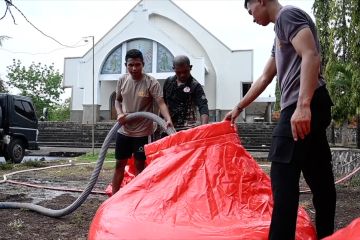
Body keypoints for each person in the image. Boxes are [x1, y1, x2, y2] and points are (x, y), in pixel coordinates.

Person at [224, 1, 336, 239]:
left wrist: (303, 105)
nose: (252, 17)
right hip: (310, 104)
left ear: (261, 1)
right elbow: (266, 76)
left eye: (250, 9)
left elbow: (311, 54)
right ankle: (328, 235)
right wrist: (239, 106)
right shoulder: (280, 31)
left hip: (303, 105)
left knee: (283, 181)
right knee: (321, 181)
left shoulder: (287, 15)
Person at [112, 49, 173, 195]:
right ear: (126, 65)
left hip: (143, 132)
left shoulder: (151, 82)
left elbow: (160, 102)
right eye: (130, 65)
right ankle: (113, 197)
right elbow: (117, 100)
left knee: (140, 165)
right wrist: (120, 113)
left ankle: (141, 197)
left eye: (137, 65)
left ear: (143, 64)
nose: (134, 68)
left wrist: (167, 119)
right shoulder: (122, 80)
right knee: (119, 164)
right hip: (124, 130)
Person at [163, 55, 209, 131]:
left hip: (188, 128)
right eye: (179, 72)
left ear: (190, 67)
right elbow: (163, 104)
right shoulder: (168, 82)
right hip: (170, 126)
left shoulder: (195, 85)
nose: (182, 75)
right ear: (173, 69)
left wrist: (204, 128)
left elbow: (203, 106)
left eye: (185, 71)